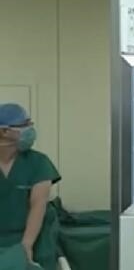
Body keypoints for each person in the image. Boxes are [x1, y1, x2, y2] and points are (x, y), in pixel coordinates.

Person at [0, 103, 60, 270]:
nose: (30, 129)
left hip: (32, 240)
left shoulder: (38, 162)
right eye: (24, 125)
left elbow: (38, 205)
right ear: (4, 131)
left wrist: (26, 245)